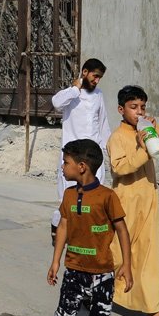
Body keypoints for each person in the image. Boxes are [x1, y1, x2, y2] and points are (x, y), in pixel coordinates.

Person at [33, 139, 133, 316]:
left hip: (102, 273)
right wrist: (55, 261)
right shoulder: (68, 195)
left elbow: (122, 231)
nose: (62, 166)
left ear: (81, 166)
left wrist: (126, 265)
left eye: (65, 162)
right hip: (74, 271)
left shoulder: (107, 196)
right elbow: (63, 226)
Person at [106, 85, 159, 316]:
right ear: (121, 110)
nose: (139, 112)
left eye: (142, 107)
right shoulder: (117, 137)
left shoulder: (147, 131)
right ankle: (96, 289)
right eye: (133, 107)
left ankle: (153, 312)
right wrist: (141, 146)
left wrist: (155, 130)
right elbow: (120, 168)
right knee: (117, 253)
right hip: (126, 203)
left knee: (148, 257)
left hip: (148, 201)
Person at [50, 59, 111, 238]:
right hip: (73, 155)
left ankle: (85, 231)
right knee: (68, 195)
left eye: (100, 77)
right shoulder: (70, 94)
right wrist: (75, 89)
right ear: (85, 72)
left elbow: (103, 124)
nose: (97, 80)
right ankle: (57, 226)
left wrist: (108, 149)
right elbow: (56, 103)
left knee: (93, 194)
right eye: (95, 76)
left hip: (93, 154)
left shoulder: (98, 95)